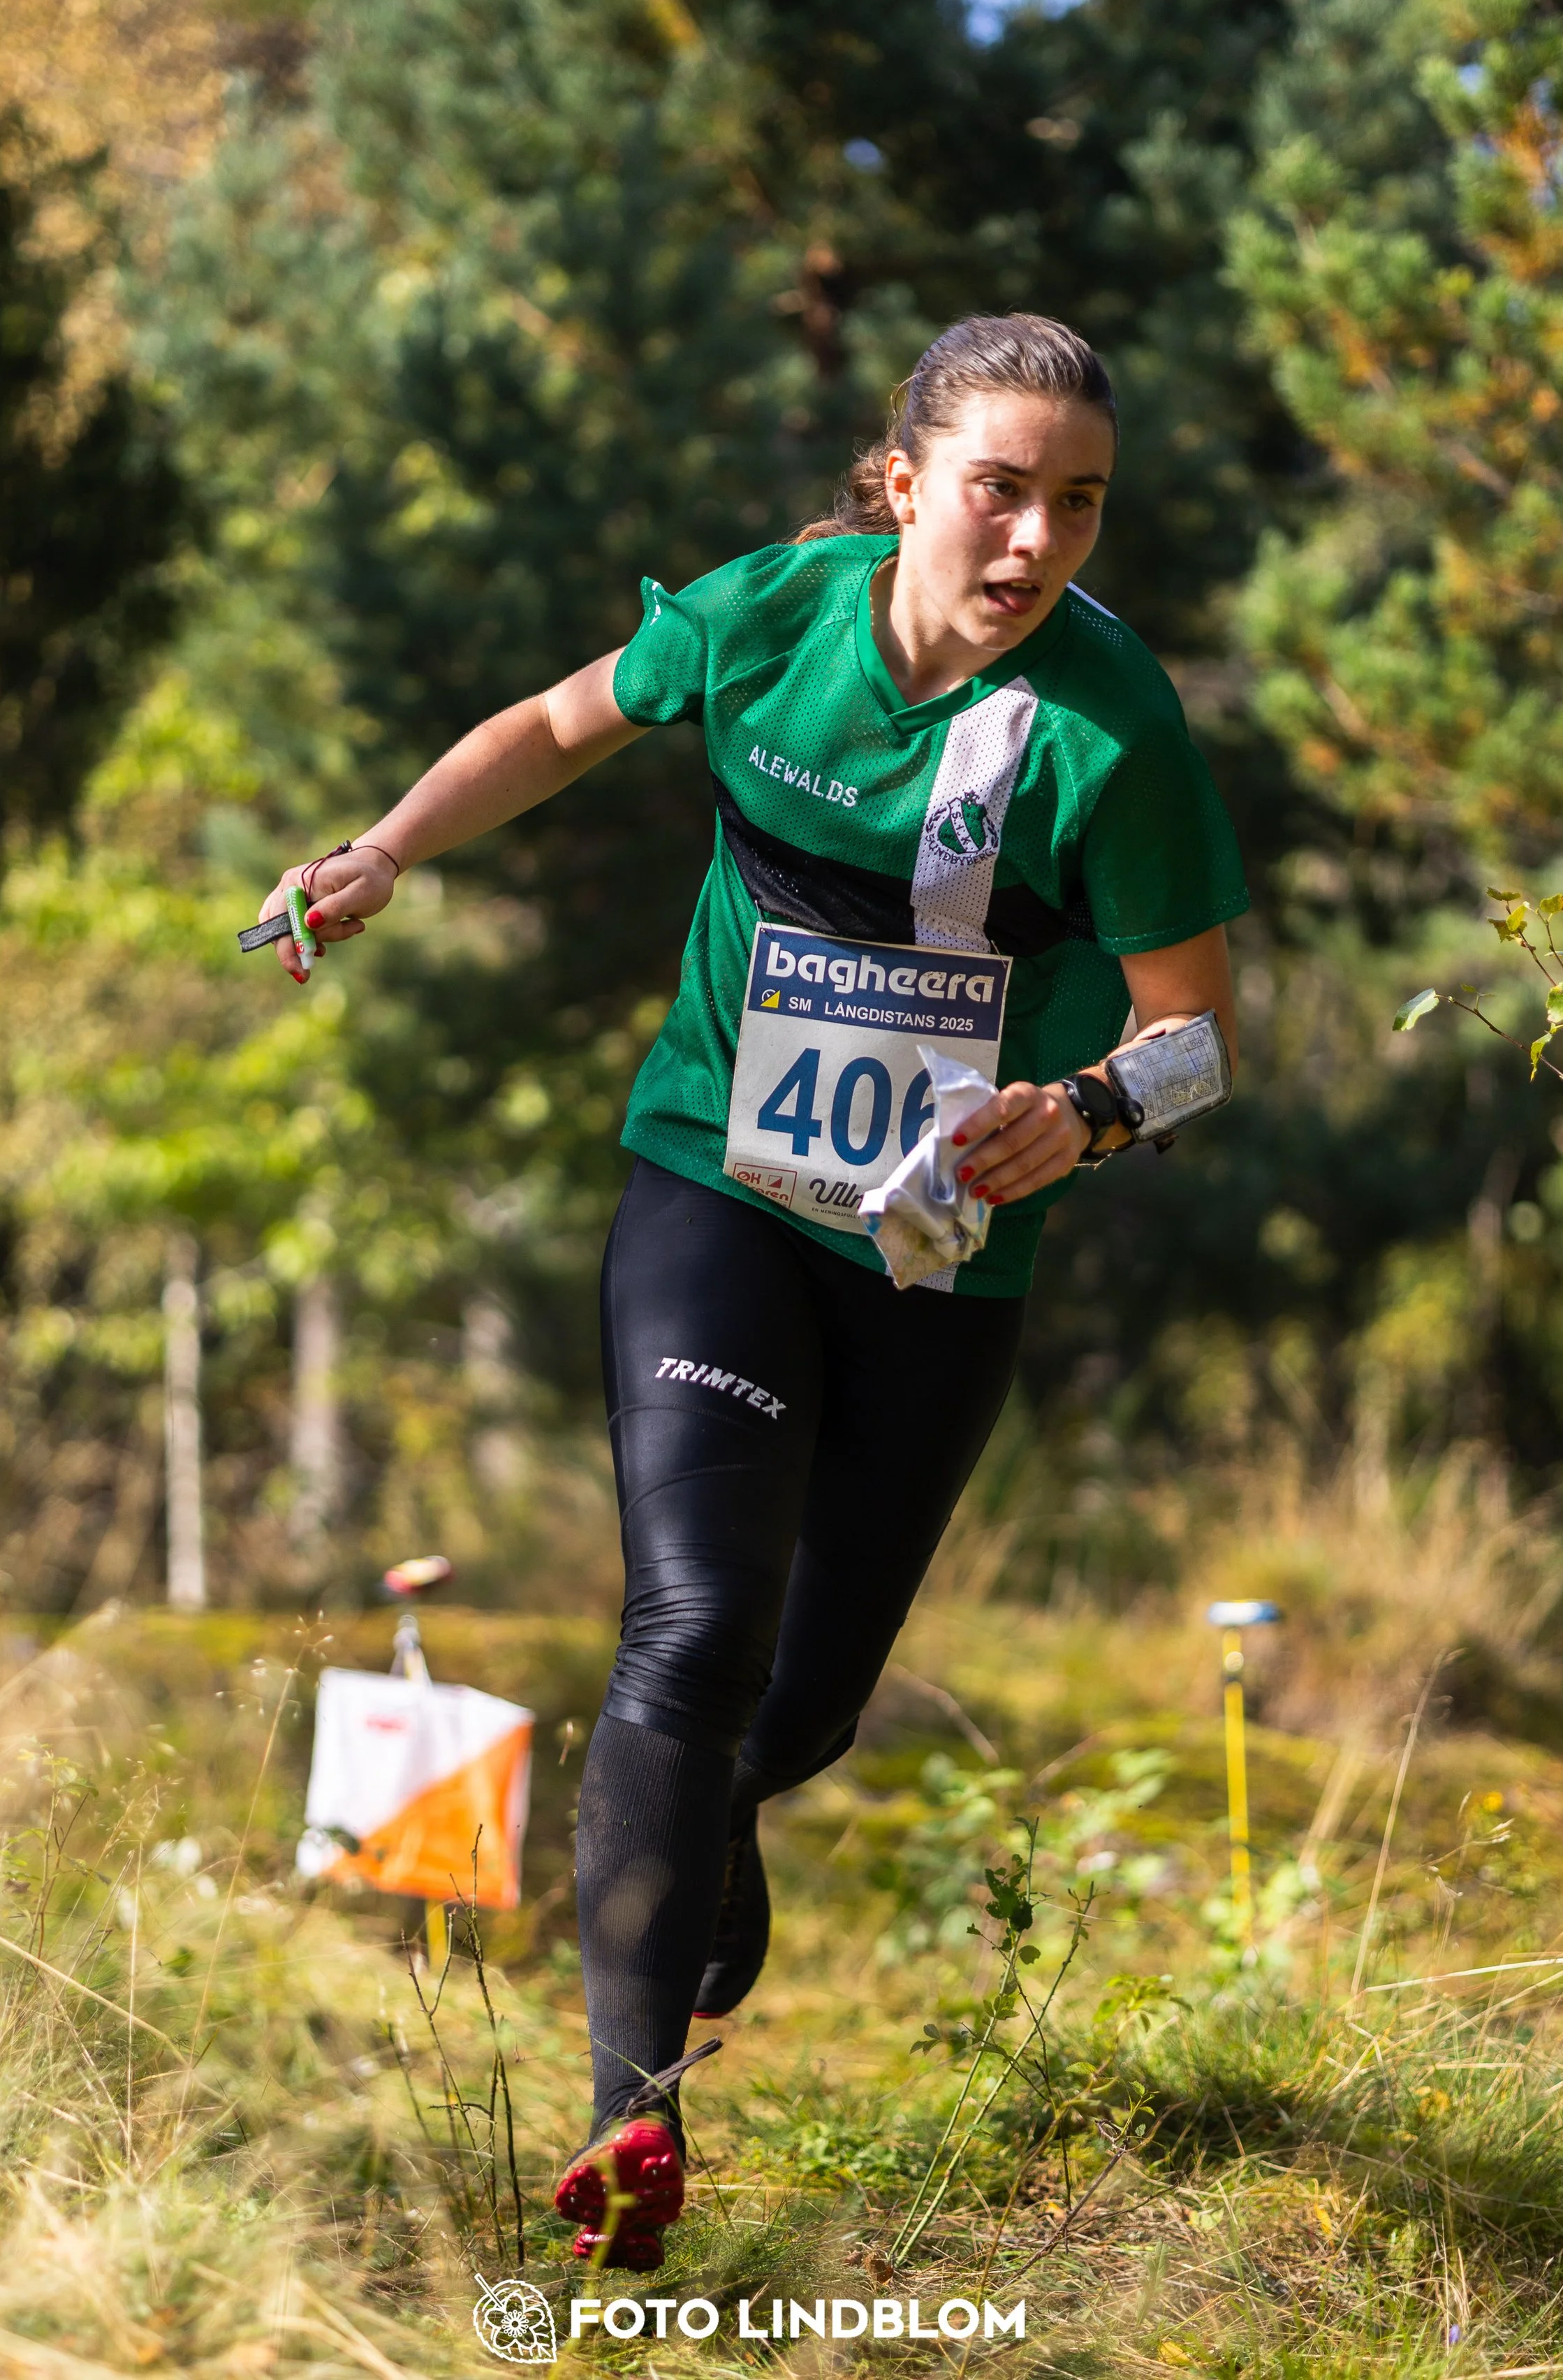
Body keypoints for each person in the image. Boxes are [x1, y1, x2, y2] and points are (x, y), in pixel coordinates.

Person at [258, 314, 1247, 2270]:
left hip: (942, 1253)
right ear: (900, 483)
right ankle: (630, 2118)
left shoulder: (1110, 726)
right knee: (692, 1628)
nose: (1035, 534)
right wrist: (381, 852)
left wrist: (1087, 1112)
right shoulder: (766, 615)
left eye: (1076, 501)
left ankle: (705, 1824)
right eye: (997, 485)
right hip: (714, 1176)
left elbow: (1199, 1026)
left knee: (793, 1708)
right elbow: (556, 729)